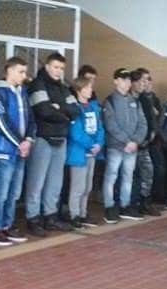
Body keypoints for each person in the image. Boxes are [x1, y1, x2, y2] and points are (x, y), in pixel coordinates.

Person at [25, 52, 80, 236]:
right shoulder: (37, 85)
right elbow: (43, 111)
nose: (58, 71)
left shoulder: (63, 88)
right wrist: (64, 114)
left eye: (61, 68)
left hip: (60, 139)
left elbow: (76, 110)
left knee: (55, 182)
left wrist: (58, 108)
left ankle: (50, 217)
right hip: (42, 138)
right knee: (36, 182)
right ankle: (33, 218)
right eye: (55, 67)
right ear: (47, 66)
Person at [0, 57, 35, 246]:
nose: (24, 76)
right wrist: (19, 142)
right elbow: (1, 121)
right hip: (4, 149)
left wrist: (29, 139)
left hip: (20, 150)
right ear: (10, 71)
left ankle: (7, 225)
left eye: (25, 72)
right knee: (1, 192)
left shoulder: (22, 91)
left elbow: (31, 118)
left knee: (14, 192)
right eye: (21, 72)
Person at [102, 68, 147, 224]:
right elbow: (111, 125)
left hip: (132, 147)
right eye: (123, 79)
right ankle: (109, 207)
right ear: (116, 81)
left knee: (128, 177)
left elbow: (143, 123)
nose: (127, 83)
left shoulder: (134, 101)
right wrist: (127, 141)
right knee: (111, 176)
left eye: (128, 80)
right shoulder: (110, 101)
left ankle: (125, 205)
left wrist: (135, 141)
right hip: (116, 146)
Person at [66, 76, 105, 228]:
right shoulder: (75, 108)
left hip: (92, 153)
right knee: (78, 186)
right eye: (87, 87)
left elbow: (100, 127)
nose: (90, 90)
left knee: (88, 186)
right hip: (79, 153)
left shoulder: (93, 107)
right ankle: (74, 214)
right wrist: (91, 145)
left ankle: (83, 213)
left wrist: (99, 144)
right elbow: (76, 132)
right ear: (79, 90)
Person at [130, 68, 162, 216]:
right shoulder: (128, 98)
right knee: (132, 175)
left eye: (146, 81)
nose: (144, 84)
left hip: (146, 143)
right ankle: (132, 204)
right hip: (131, 143)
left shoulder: (145, 99)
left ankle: (145, 202)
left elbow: (151, 119)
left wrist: (152, 133)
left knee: (148, 172)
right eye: (141, 81)